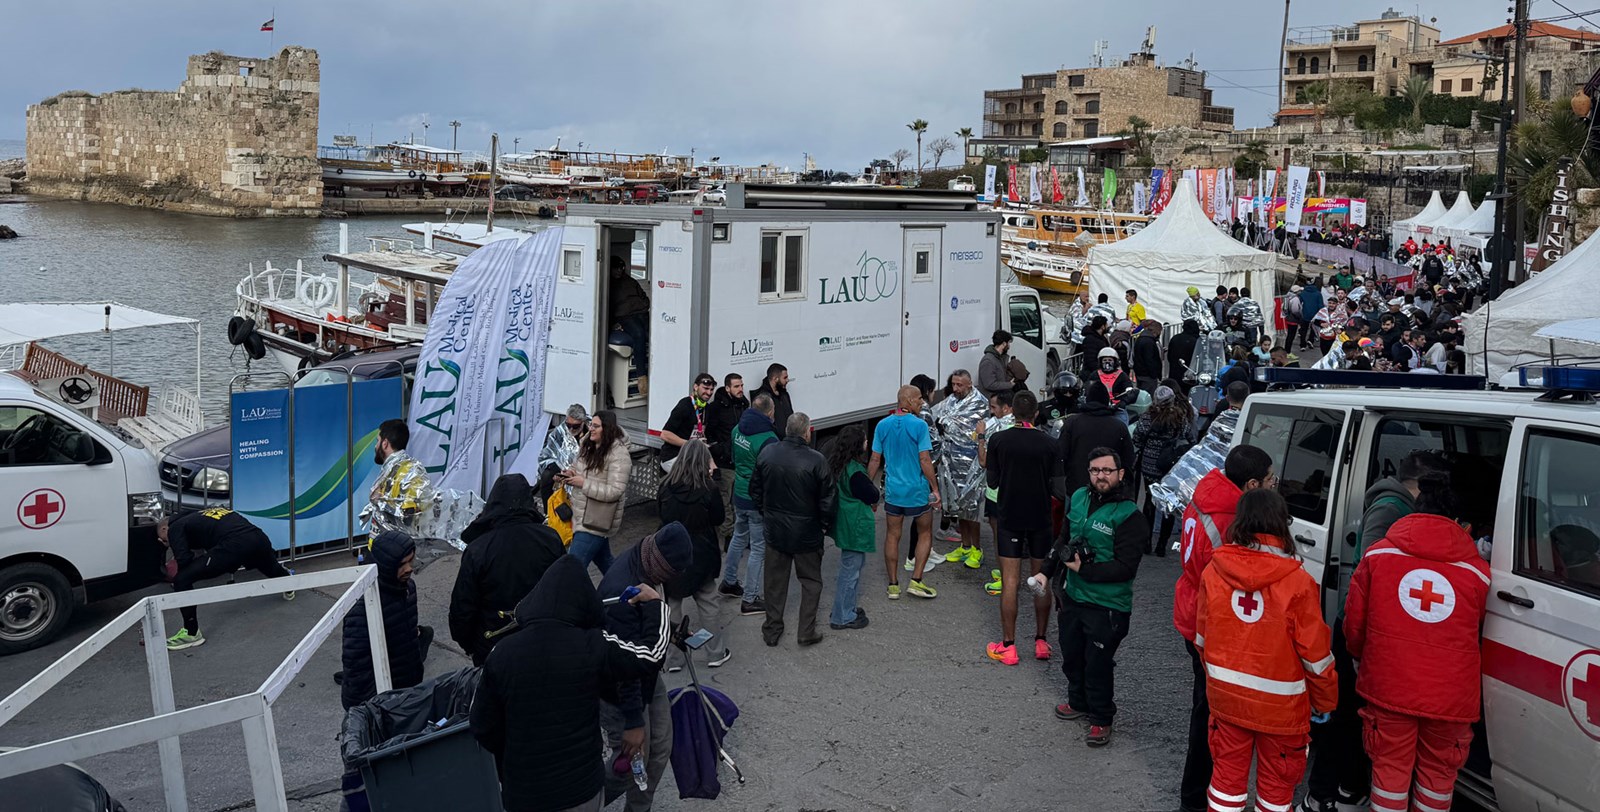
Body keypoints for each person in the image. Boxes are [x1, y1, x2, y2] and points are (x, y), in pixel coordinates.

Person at [470, 557, 668, 812]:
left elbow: (481, 725)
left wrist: (513, 763)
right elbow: (650, 655)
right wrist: (655, 605)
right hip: (580, 790)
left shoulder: (501, 653)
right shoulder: (591, 644)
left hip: (524, 794)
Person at [1343, 473, 1489, 812]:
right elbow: (1478, 627)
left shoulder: (1377, 556)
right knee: (1438, 780)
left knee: (1389, 774)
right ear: (1457, 522)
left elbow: (1355, 622)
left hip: (1389, 686)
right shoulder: (1478, 574)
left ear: (1413, 512)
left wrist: (1358, 657)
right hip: (1451, 698)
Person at [1196, 489, 1337, 812]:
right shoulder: (1299, 582)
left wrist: (1218, 684)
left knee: (1225, 787)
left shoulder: (1214, 571)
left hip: (1227, 700)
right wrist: (1326, 700)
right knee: (1276, 793)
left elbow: (1202, 640)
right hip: (1282, 711)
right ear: (1280, 523)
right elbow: (1315, 656)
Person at [1173, 445, 1276, 812]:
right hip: (1208, 624)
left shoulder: (1209, 493)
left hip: (1191, 610)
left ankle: (1199, 796)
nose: (1274, 486)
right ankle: (1197, 799)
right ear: (1251, 484)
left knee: (1206, 711)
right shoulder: (1233, 517)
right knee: (1210, 719)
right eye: (1269, 480)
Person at [1041, 447, 1148, 747]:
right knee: (1071, 655)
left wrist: (1084, 569)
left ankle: (1101, 718)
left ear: (1120, 474)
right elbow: (1063, 538)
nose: (1101, 476)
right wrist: (1045, 572)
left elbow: (1126, 568)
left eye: (1107, 471)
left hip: (1108, 606)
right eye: (1095, 470)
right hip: (1073, 596)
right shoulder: (1078, 498)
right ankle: (1078, 702)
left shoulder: (1130, 516)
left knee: (1097, 664)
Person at [597, 524, 694, 812]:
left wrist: (673, 632)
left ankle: (639, 809)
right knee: (629, 764)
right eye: (675, 573)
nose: (677, 579)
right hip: (622, 691)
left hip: (647, 678)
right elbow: (626, 665)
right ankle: (582, 802)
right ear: (663, 565)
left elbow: (644, 638)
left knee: (659, 749)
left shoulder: (646, 561)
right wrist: (633, 722)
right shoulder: (623, 589)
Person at [338, 530, 426, 812]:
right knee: (368, 775)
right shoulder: (364, 603)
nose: (409, 569)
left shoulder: (407, 589)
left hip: (403, 693)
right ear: (387, 565)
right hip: (374, 703)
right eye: (403, 564)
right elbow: (356, 661)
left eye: (411, 561)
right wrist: (372, 708)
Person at [449, 473, 566, 666]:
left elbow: (463, 608)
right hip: (543, 641)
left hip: (495, 648)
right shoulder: (550, 539)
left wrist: (470, 645)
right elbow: (565, 589)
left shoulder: (479, 549)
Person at [983, 391, 1058, 665]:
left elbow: (992, 482)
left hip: (1009, 516)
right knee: (1040, 580)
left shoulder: (999, 440)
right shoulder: (1050, 443)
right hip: (1040, 516)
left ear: (1012, 412)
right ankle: (1041, 641)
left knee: (1010, 581)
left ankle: (1009, 645)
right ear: (1036, 413)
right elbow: (1059, 488)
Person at [752, 412, 836, 646]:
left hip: (776, 530)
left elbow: (755, 490)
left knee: (774, 582)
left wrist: (767, 514)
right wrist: (823, 526)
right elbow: (828, 500)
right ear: (807, 431)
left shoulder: (768, 452)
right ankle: (805, 631)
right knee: (811, 581)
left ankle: (772, 629)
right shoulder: (817, 460)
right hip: (807, 533)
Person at [159, 508, 294, 650]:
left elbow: (184, 560)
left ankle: (191, 633)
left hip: (233, 544)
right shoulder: (201, 513)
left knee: (181, 580)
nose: (165, 542)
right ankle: (289, 584)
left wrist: (174, 553)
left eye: (163, 539)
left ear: (164, 528)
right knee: (269, 567)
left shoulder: (174, 528)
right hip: (258, 537)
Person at [657, 440, 731, 671]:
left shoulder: (665, 486)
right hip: (702, 552)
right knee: (708, 602)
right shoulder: (709, 488)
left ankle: (674, 659)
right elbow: (718, 519)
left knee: (673, 603)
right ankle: (715, 653)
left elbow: (662, 516)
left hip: (671, 552)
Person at [870, 385, 943, 600]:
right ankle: (916, 581)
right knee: (925, 532)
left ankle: (893, 585)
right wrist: (935, 488)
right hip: (917, 491)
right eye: (919, 398)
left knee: (892, 535)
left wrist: (868, 490)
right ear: (908, 401)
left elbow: (875, 460)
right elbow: (924, 459)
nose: (922, 402)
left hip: (894, 491)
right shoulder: (919, 425)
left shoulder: (882, 425)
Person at [722, 393, 777, 615]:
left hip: (740, 493)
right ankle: (750, 598)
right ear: (770, 412)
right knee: (758, 548)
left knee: (738, 537)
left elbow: (735, 459)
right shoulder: (768, 439)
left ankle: (729, 581)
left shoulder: (737, 429)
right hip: (757, 499)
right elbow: (771, 473)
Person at [931, 369, 988, 570]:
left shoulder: (979, 402)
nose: (955, 388)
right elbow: (936, 414)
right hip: (950, 462)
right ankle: (965, 546)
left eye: (959, 385)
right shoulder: (952, 400)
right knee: (956, 506)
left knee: (971, 508)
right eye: (953, 384)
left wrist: (947, 423)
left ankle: (977, 550)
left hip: (971, 463)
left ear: (969, 384)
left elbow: (962, 425)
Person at [564, 409, 633, 575]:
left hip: (594, 521)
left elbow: (615, 491)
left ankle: (584, 599)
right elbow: (578, 466)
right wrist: (571, 473)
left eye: (596, 426)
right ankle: (629, 595)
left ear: (607, 429)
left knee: (571, 570)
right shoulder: (588, 444)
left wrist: (584, 483)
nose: (591, 429)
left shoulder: (619, 454)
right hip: (583, 516)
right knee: (608, 565)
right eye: (590, 425)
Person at [827, 423, 878, 631]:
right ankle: (842, 615)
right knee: (851, 571)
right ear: (858, 445)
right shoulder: (856, 472)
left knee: (851, 568)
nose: (867, 442)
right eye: (865, 440)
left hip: (845, 522)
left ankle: (846, 607)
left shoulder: (840, 465)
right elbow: (872, 494)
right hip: (854, 525)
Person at [1132, 386, 1193, 556]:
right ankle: (1162, 545)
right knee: (1168, 503)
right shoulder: (1180, 418)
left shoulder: (1147, 417)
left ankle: (1146, 543)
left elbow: (1137, 437)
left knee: (1149, 503)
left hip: (1149, 465)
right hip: (1170, 465)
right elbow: (1190, 438)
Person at [1058, 382, 1136, 499]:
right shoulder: (1119, 427)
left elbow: (1060, 456)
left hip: (1077, 490)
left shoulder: (1072, 423)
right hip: (1108, 490)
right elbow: (1128, 461)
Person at [361, 419, 432, 547]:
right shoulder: (391, 470)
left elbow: (411, 515)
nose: (375, 446)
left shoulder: (410, 471)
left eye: (377, 441)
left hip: (394, 554)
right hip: (383, 549)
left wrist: (381, 502)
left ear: (385, 444)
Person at [705, 373, 748, 544]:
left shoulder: (744, 404)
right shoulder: (716, 408)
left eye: (742, 385)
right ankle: (728, 536)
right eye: (737, 386)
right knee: (725, 500)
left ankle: (740, 534)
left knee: (738, 500)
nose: (741, 389)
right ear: (728, 388)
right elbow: (709, 434)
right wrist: (720, 450)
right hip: (724, 462)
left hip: (740, 460)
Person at [658, 373, 715, 471]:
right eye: (705, 388)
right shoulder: (685, 405)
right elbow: (665, 434)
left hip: (693, 456)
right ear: (696, 387)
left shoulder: (707, 408)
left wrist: (712, 464)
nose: (709, 393)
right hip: (673, 456)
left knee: (711, 474)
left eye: (711, 390)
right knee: (695, 477)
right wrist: (691, 445)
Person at [608, 255, 651, 376]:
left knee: (652, 335)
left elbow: (644, 298)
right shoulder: (608, 285)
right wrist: (612, 324)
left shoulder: (631, 281)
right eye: (616, 268)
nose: (619, 271)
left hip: (642, 313)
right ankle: (641, 375)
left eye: (621, 268)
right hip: (625, 317)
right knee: (639, 334)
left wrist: (642, 305)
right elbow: (607, 308)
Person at [536, 404, 588, 505]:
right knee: (547, 477)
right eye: (568, 425)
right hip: (562, 468)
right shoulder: (561, 431)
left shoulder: (591, 433)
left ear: (583, 422)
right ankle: (549, 513)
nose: (571, 429)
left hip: (584, 472)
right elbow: (547, 453)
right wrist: (558, 470)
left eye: (575, 426)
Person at [752, 363, 793, 439]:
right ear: (775, 379)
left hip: (787, 441)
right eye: (785, 377)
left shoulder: (784, 394)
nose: (787, 380)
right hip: (774, 442)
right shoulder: (763, 398)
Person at [978, 329, 1016, 398]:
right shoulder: (988, 361)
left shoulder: (999, 358)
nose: (1009, 346)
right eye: (1008, 343)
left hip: (998, 400)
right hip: (991, 402)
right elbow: (989, 384)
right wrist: (1009, 384)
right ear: (1004, 343)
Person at [1132, 320, 1163, 396]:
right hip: (1148, 376)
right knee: (1148, 397)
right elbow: (1150, 360)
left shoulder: (1140, 339)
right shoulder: (1149, 342)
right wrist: (1154, 374)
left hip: (1140, 373)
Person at [1168, 318, 1202, 382]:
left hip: (1174, 371)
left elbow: (1169, 356)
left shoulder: (1175, 338)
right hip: (1190, 373)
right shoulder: (1196, 341)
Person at [1297, 278, 1325, 351]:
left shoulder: (1303, 293)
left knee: (1303, 330)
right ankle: (1310, 340)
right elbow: (1320, 305)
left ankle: (1302, 345)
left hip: (1304, 313)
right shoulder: (1318, 293)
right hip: (1315, 314)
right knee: (1314, 328)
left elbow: (1299, 304)